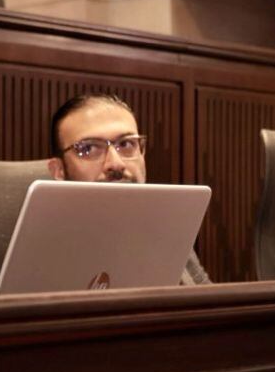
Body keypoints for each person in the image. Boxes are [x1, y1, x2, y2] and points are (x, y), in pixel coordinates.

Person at [47, 93, 211, 284]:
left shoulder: (166, 227)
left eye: (126, 144)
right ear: (58, 170)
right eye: (89, 148)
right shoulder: (42, 245)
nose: (115, 164)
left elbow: (216, 309)